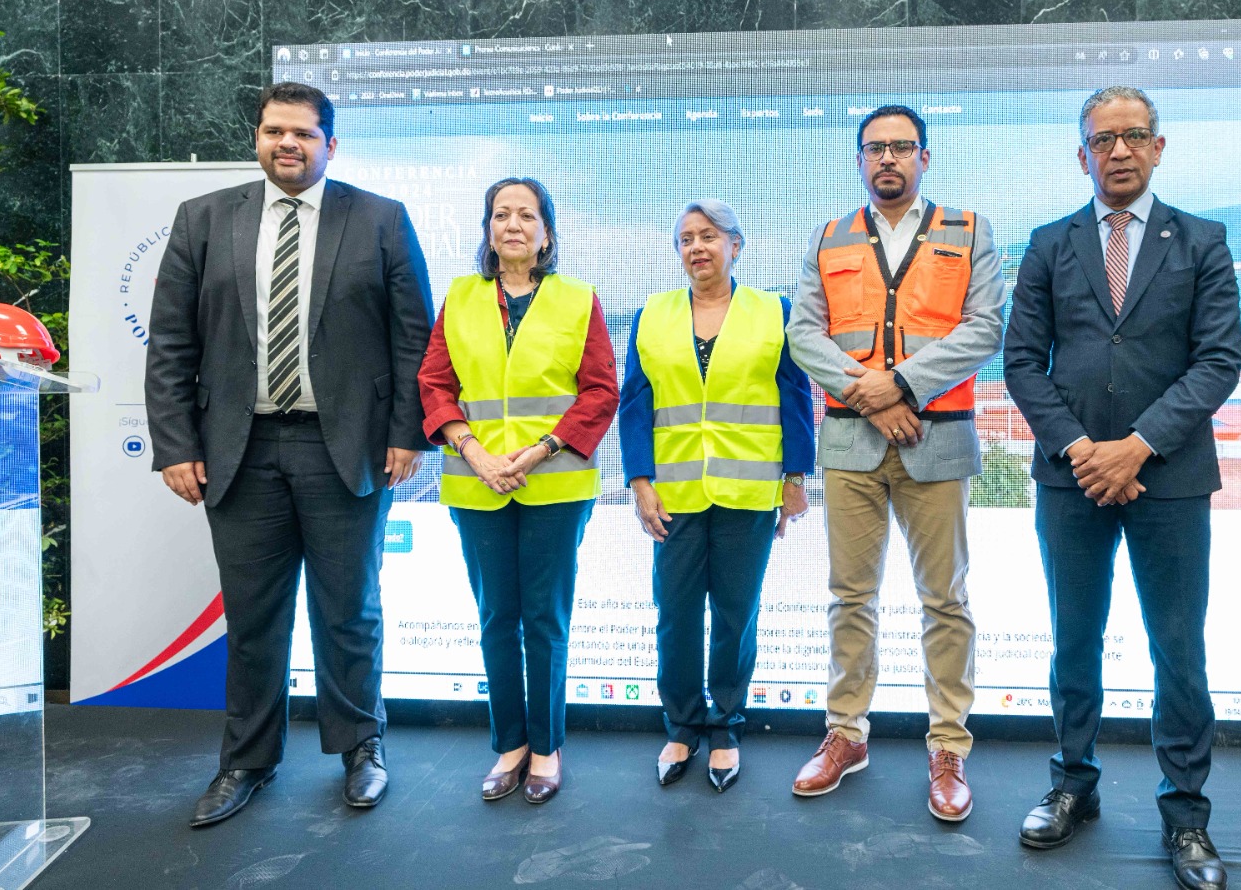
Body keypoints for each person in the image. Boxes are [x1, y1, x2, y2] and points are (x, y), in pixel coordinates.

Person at [145, 82, 434, 827]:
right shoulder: (204, 219)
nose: (288, 144)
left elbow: (414, 339)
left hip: (346, 448)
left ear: (330, 145)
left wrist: (407, 433)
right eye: (275, 130)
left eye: (303, 133)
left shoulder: (380, 219)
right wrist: (175, 442)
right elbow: (171, 340)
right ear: (257, 137)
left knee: (349, 612)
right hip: (238, 450)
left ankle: (361, 748)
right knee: (252, 618)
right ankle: (246, 760)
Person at [1002, 86, 1241, 890]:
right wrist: (1081, 449)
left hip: (1167, 477)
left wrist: (1137, 446)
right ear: (1082, 155)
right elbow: (1020, 361)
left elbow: (1219, 359)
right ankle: (1073, 783)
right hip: (1070, 478)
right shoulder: (1048, 244)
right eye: (1103, 139)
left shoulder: (1202, 240)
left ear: (1158, 146)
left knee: (1178, 648)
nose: (1119, 151)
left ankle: (1186, 815)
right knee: (1074, 638)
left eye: (1134, 135)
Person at [785, 104, 1004, 822]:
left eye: (902, 147)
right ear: (859, 159)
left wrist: (903, 384)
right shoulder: (828, 236)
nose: (888, 158)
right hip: (852, 442)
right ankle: (846, 733)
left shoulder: (968, 231)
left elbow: (985, 329)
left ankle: (948, 746)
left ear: (924, 157)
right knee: (850, 597)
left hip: (937, 442)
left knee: (946, 600)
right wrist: (874, 397)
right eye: (875, 147)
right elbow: (804, 335)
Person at [416, 177, 618, 805]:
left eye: (527, 215)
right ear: (487, 230)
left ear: (546, 233)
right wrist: (473, 452)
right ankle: (509, 744)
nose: (513, 224)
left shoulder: (578, 299)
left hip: (554, 483)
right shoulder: (460, 297)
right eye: (501, 214)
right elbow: (434, 383)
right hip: (477, 484)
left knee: (545, 619)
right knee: (497, 619)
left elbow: (600, 390)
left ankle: (547, 747)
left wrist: (539, 450)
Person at [619, 199, 815, 792]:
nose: (696, 247)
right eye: (686, 239)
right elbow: (636, 404)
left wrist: (795, 480)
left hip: (748, 490)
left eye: (708, 236)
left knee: (735, 615)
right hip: (673, 494)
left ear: (736, 246)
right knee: (675, 614)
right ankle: (681, 725)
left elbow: (794, 394)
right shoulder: (651, 315)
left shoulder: (775, 311)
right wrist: (640, 482)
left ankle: (726, 726)